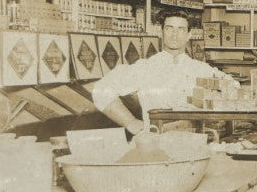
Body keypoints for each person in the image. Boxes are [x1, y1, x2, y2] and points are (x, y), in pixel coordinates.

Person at [92, 14, 227, 134]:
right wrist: (130, 122)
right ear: (161, 32)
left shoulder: (201, 69)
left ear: (189, 35)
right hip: (157, 138)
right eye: (169, 28)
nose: (175, 34)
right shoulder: (144, 68)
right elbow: (100, 90)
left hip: (195, 139)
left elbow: (233, 86)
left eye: (181, 29)